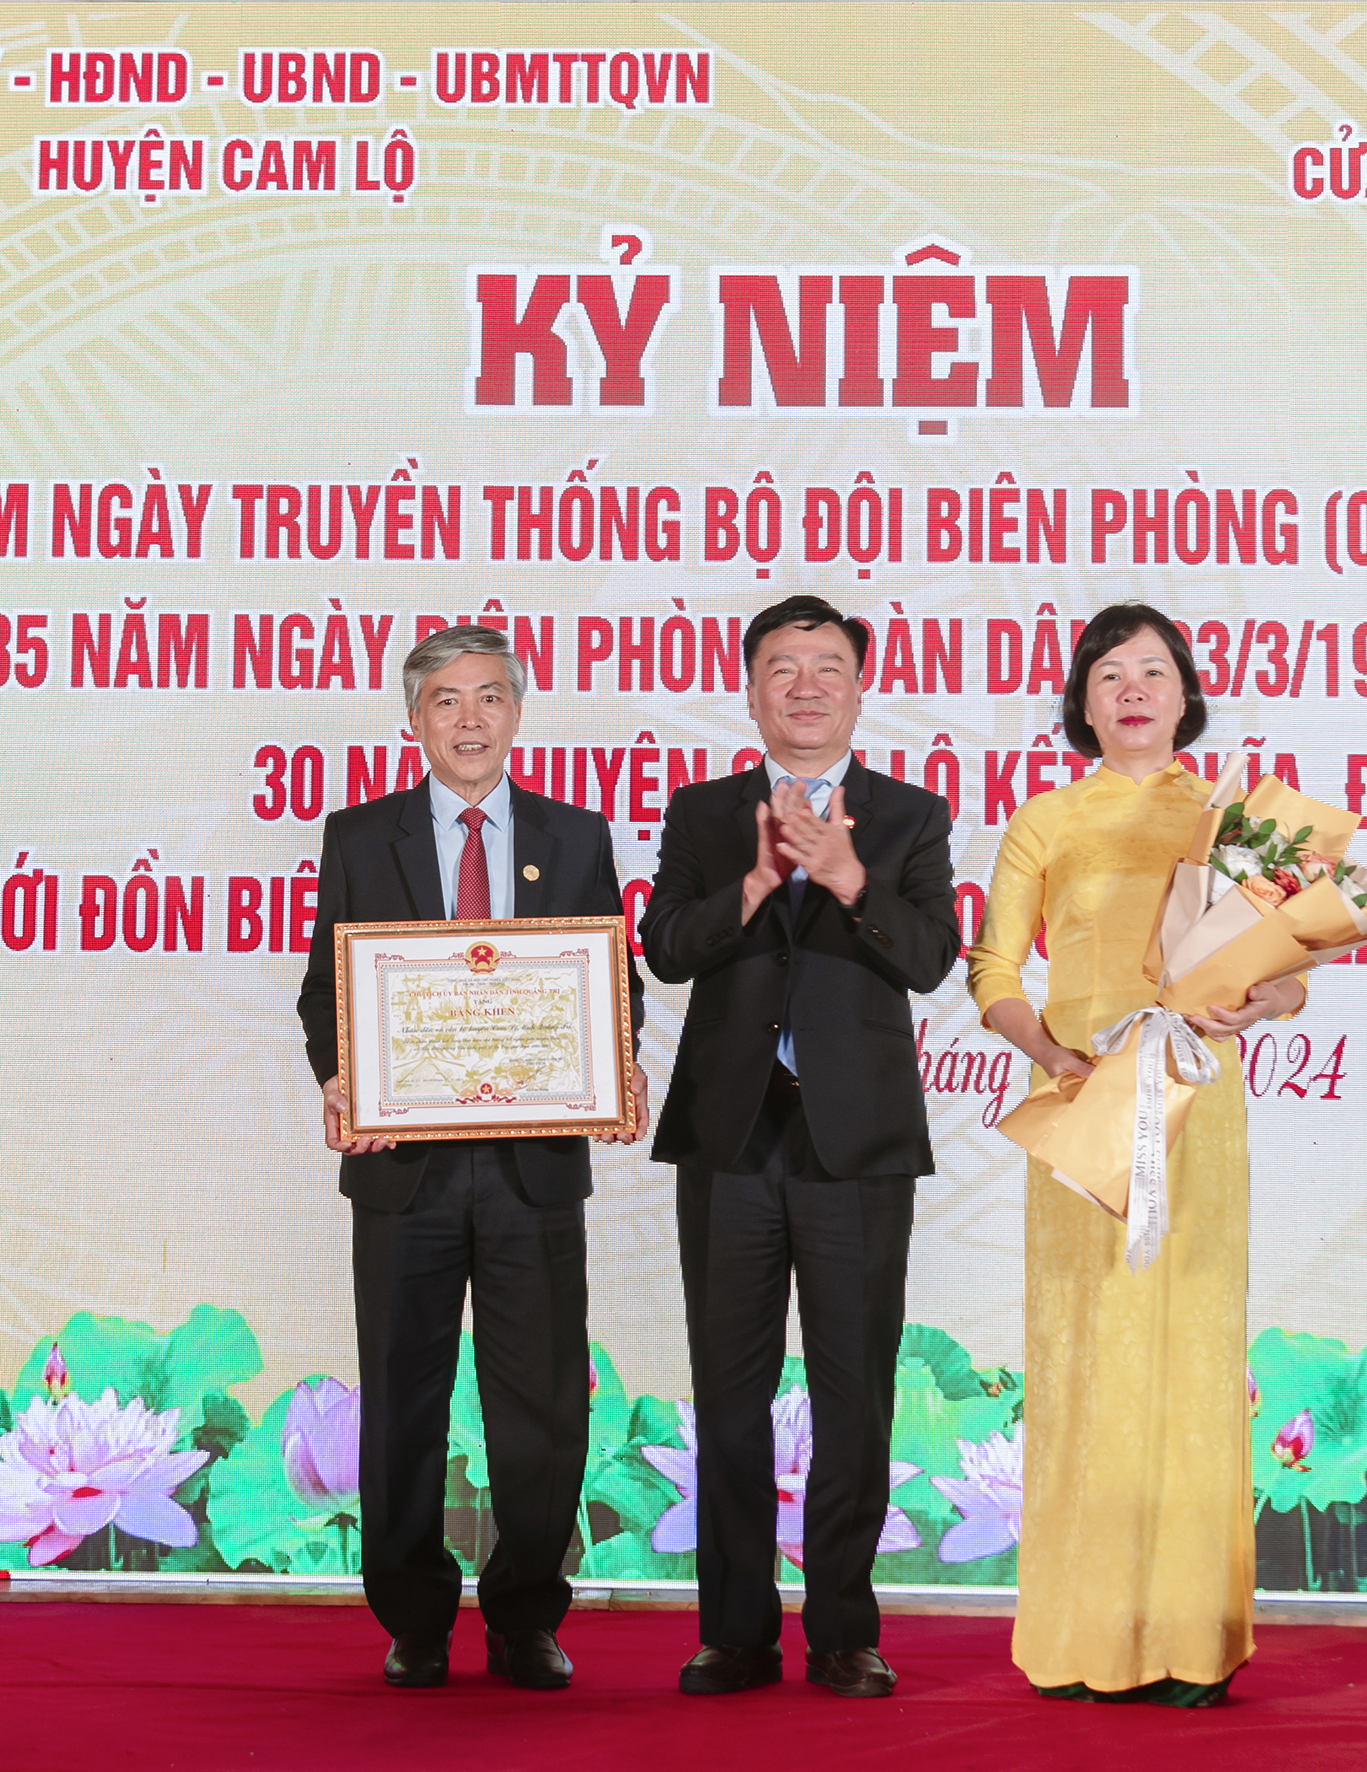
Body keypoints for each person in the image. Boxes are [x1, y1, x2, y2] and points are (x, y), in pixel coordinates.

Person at [963, 603, 1308, 1704]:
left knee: (1191, 1348)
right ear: (1082, 698)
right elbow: (991, 974)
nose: (1132, 690)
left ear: (1183, 691)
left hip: (1199, 1105)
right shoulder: (1046, 818)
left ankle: (1187, 1640)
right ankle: (1085, 1631)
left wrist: (1256, 1000)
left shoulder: (1233, 821)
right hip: (1085, 1094)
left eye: (1152, 670)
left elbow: (1292, 971)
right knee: (1085, 1349)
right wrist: (1052, 1052)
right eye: (1109, 673)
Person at [294, 623, 642, 1693]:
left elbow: (608, 985)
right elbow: (327, 992)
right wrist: (340, 1078)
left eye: (490, 695)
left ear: (518, 711)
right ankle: (413, 1616)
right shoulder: (360, 835)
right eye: (447, 700)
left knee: (540, 1402)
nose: (470, 718)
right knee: (402, 1397)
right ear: (414, 721)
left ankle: (527, 1614)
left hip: (535, 1166)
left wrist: (614, 1062)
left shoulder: (575, 835)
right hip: (406, 1170)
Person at [640, 594, 957, 1700]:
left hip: (854, 1144)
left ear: (859, 687)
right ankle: (732, 1630)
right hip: (729, 1138)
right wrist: (758, 881)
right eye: (783, 666)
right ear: (751, 687)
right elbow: (665, 948)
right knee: (726, 1394)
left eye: (828, 665)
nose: (806, 684)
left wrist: (846, 877)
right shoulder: (704, 810)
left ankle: (842, 1630)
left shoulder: (908, 815)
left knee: (852, 1391)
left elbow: (929, 958)